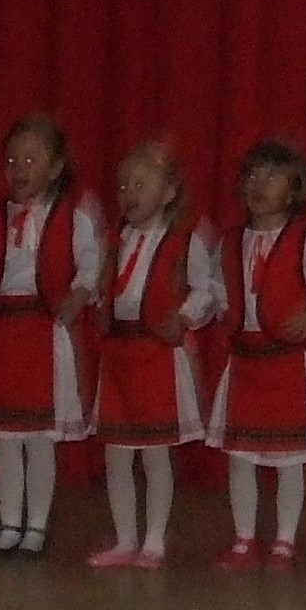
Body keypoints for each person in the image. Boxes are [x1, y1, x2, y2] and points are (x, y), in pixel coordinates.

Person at [0, 113, 104, 558]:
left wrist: (77, 295)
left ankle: (35, 527)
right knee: (5, 437)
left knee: (39, 438)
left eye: (31, 159)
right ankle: (9, 523)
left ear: (55, 168)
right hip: (1, 334)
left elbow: (92, 263)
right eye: (12, 159)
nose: (19, 168)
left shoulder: (72, 216)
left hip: (44, 334)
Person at [204, 137, 306, 573]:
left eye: (272, 177)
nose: (259, 184)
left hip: (287, 363)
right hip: (245, 362)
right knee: (241, 457)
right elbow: (215, 285)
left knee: (290, 459)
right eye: (252, 175)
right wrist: (223, 309)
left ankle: (285, 540)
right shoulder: (231, 241)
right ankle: (244, 537)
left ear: (294, 189)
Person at [86, 139, 220, 570]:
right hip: (119, 356)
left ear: (168, 193)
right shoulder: (113, 242)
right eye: (124, 185)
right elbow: (103, 286)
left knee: (156, 453)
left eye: (141, 184)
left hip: (158, 356)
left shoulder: (183, 242)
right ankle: (125, 538)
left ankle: (155, 540)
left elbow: (207, 290)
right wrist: (99, 305)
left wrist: (183, 316)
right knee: (117, 454)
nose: (130, 193)